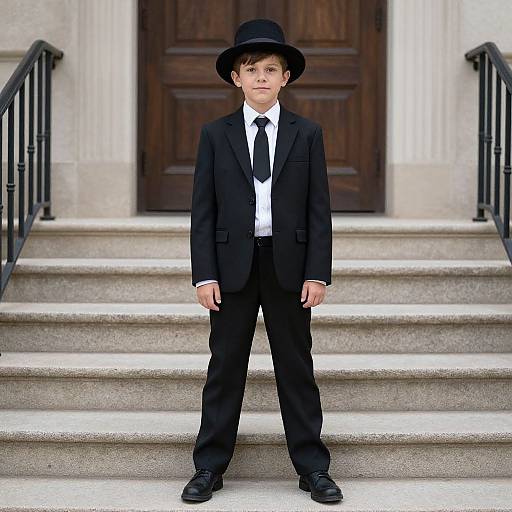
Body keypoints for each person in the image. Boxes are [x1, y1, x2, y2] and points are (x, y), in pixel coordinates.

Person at [182, 18, 342, 504]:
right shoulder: (215, 134)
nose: (261, 78)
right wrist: (204, 273)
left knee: (295, 366)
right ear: (236, 77)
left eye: (271, 69)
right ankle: (209, 466)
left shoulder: (307, 133)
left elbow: (319, 209)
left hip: (288, 266)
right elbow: (202, 210)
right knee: (225, 366)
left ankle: (312, 466)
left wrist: (318, 271)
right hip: (231, 267)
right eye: (251, 69)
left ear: (286, 77)